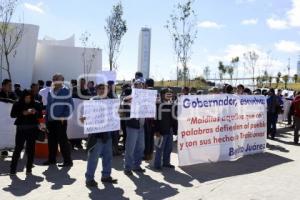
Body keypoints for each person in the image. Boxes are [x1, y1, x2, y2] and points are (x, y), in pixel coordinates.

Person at [83, 83, 118, 187]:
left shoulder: (112, 103)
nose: (102, 90)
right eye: (100, 89)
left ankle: (106, 176)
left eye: (104, 88)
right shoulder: (92, 101)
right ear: (97, 90)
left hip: (108, 135)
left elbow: (116, 116)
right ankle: (89, 179)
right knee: (93, 158)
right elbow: (87, 115)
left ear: (108, 90)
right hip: (96, 136)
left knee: (108, 157)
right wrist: (84, 117)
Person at [43, 73, 74, 167]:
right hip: (50, 120)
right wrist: (46, 119)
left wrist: (64, 116)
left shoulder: (66, 91)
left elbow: (70, 106)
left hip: (60, 120)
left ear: (62, 81)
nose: (55, 79)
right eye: (54, 78)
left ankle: (68, 161)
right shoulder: (50, 91)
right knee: (51, 141)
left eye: (57, 78)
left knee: (63, 141)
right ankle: (52, 160)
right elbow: (48, 106)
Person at [10, 90, 43, 175]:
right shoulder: (18, 104)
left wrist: (35, 112)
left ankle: (29, 169)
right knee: (18, 149)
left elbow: (40, 115)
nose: (28, 99)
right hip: (21, 129)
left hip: (32, 129)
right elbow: (12, 114)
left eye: (29, 97)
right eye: (26, 97)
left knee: (31, 149)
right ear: (23, 97)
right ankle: (13, 169)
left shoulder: (36, 104)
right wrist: (22, 113)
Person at [123, 78, 146, 176]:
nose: (139, 86)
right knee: (130, 148)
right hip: (132, 125)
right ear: (133, 85)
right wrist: (129, 99)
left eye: (141, 84)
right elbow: (123, 102)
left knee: (141, 147)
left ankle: (137, 165)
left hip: (141, 125)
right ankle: (127, 167)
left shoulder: (146, 96)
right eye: (136, 84)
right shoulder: (129, 95)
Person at [154, 88, 177, 170]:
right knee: (160, 148)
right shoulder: (158, 104)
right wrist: (156, 131)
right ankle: (157, 165)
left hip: (169, 129)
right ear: (163, 95)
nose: (169, 95)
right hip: (161, 130)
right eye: (168, 93)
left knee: (169, 148)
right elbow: (155, 119)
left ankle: (166, 163)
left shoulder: (172, 104)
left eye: (171, 93)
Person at [0, 79, 17, 158]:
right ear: (3, 86)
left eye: (11, 85)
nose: (11, 87)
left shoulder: (12, 94)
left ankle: (5, 149)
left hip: (9, 120)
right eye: (9, 85)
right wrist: (7, 100)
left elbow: (16, 101)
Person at [107, 80, 121, 156]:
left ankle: (115, 150)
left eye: (112, 85)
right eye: (110, 85)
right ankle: (112, 151)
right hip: (109, 119)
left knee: (115, 136)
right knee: (111, 136)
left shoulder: (114, 94)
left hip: (115, 118)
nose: (112, 86)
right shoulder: (107, 94)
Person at [144, 78, 155, 161]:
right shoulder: (156, 93)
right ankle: (150, 154)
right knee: (151, 137)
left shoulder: (144, 93)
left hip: (146, 118)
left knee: (147, 137)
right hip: (153, 118)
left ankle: (146, 154)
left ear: (146, 84)